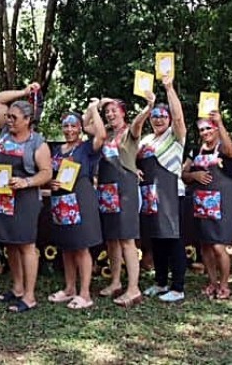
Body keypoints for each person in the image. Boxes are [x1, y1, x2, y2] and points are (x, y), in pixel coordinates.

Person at [0, 83, 51, 313]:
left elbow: (46, 173)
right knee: (10, 244)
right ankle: (18, 287)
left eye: (14, 117)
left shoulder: (37, 143)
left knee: (26, 246)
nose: (8, 119)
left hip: (24, 200)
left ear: (27, 120)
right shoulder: (4, 131)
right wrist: (24, 93)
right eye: (8, 116)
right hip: (0, 198)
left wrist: (26, 182)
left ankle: (29, 296)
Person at [46, 104, 105, 310]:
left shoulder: (86, 148)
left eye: (74, 125)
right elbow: (48, 172)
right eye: (66, 126)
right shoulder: (56, 150)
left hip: (80, 198)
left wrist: (94, 109)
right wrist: (49, 183)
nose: (69, 129)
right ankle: (69, 288)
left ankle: (85, 293)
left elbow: (101, 134)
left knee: (81, 245)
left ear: (81, 128)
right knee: (66, 245)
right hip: (60, 200)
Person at [135, 75, 187, 303]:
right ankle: (160, 282)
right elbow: (131, 156)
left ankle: (178, 287)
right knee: (156, 240)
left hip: (171, 196)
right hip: (150, 196)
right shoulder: (146, 139)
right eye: (154, 116)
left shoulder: (176, 136)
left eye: (162, 116)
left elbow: (178, 116)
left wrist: (168, 87)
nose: (158, 120)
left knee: (173, 239)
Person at [182, 111, 232, 299]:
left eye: (209, 128)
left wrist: (220, 122)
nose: (205, 132)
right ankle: (212, 283)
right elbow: (183, 174)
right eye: (202, 129)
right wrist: (194, 176)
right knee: (205, 244)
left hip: (222, 202)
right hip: (202, 202)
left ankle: (224, 284)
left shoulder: (224, 148)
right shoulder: (195, 151)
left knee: (218, 245)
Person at [97, 96, 147, 307]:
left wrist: (149, 106)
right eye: (107, 111)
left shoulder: (130, 133)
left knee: (127, 239)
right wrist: (97, 105)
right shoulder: (105, 134)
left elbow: (138, 123)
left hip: (125, 187)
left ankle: (133, 288)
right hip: (106, 188)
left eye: (114, 110)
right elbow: (87, 124)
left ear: (123, 112)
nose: (110, 114)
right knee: (112, 238)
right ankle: (116, 282)